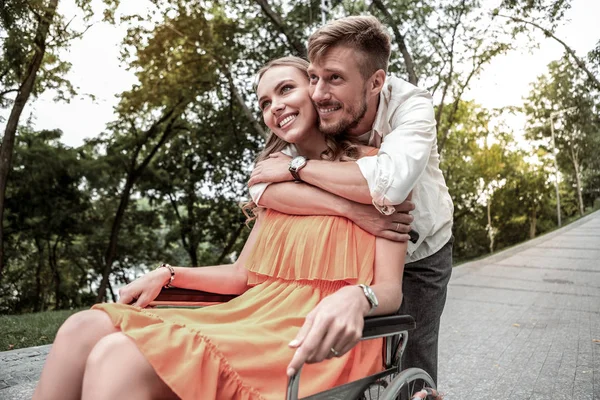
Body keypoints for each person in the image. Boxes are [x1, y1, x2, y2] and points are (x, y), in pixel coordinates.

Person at [32, 57, 407, 400]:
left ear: (316, 89)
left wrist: (357, 297)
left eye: (286, 89)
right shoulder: (272, 184)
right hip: (254, 314)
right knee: (83, 327)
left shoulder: (377, 170)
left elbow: (389, 290)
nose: (274, 105)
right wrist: (169, 273)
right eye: (264, 102)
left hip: (314, 332)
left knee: (119, 356)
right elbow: (243, 275)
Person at [248, 15, 454, 385]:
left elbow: (388, 186)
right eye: (313, 77)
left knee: (412, 357)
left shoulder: (411, 107)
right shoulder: (321, 119)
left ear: (376, 82)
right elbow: (262, 190)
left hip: (420, 246)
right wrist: (349, 209)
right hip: (357, 257)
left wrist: (297, 167)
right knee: (355, 360)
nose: (318, 93)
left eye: (335, 79)